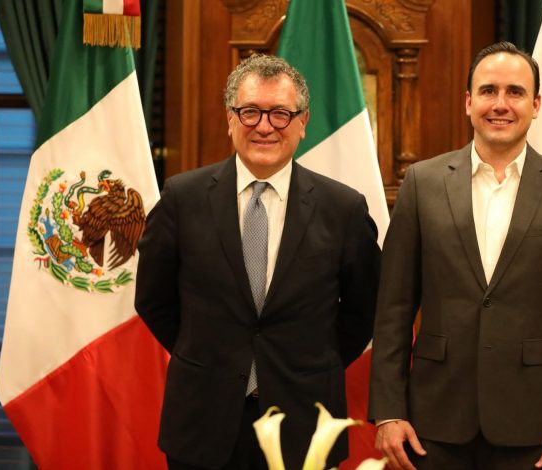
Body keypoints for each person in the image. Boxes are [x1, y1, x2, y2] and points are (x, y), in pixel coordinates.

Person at [368, 41, 542, 470]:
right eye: (488, 91)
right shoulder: (422, 183)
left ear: (536, 105)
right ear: (468, 102)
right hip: (431, 422)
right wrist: (389, 411)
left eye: (515, 92)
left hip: (533, 425)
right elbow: (393, 309)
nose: (501, 104)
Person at [135, 54, 381, 470]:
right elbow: (153, 299)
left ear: (303, 123)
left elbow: (365, 311)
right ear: (230, 119)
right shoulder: (181, 198)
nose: (264, 126)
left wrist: (306, 363)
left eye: (280, 114)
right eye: (250, 112)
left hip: (305, 421)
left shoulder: (343, 209)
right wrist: (208, 353)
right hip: (202, 421)